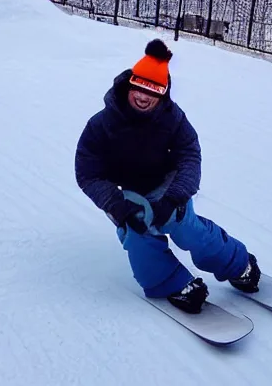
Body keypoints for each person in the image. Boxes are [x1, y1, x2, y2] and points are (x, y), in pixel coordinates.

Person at [74, 39, 261, 313]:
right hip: (126, 192)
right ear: (130, 85)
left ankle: (238, 264)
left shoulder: (173, 119)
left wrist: (175, 196)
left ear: (162, 94)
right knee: (138, 233)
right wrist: (116, 205)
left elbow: (189, 155)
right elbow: (87, 172)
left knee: (186, 228)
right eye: (139, 88)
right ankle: (172, 283)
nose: (143, 96)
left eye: (153, 91)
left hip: (167, 186)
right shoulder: (101, 124)